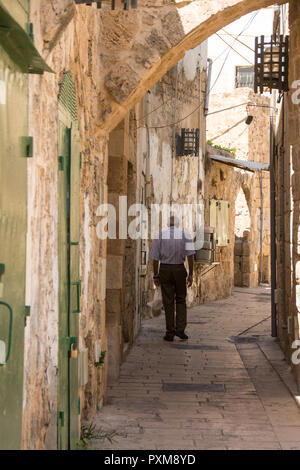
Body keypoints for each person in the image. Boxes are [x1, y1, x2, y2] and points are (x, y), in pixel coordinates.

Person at [149, 215, 195, 341]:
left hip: (165, 269)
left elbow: (155, 258)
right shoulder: (185, 235)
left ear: (168, 224)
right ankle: (180, 330)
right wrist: (191, 274)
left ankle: (170, 332)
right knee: (180, 299)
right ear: (178, 224)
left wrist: (156, 275)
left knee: (168, 302)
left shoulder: (161, 235)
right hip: (179, 269)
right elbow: (190, 256)